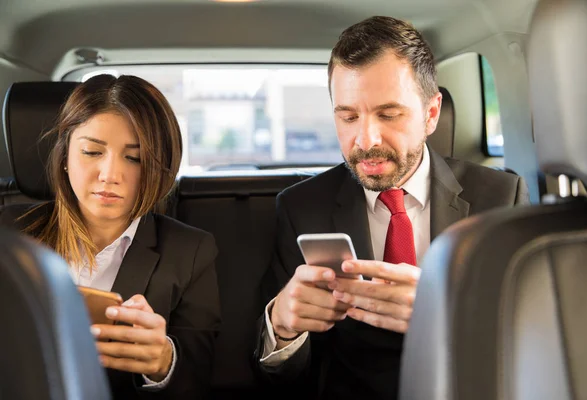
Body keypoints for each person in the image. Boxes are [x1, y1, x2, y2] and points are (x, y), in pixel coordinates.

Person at [254, 16, 530, 400]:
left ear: (430, 114)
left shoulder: (500, 197)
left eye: (388, 114)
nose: (365, 140)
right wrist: (282, 327)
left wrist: (445, 315)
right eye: (348, 116)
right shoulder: (301, 207)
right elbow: (281, 382)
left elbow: (530, 340)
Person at [1, 74, 220, 399]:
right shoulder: (11, 234)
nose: (110, 175)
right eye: (92, 152)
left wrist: (162, 361)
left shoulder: (190, 252)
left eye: (134, 158)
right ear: (64, 157)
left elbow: (198, 374)